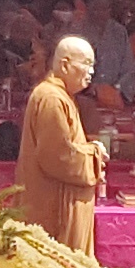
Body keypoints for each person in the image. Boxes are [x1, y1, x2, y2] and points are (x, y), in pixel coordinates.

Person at [12, 37, 104, 243]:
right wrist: (94, 156)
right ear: (65, 64)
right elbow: (58, 158)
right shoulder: (51, 99)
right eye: (86, 64)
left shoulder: (61, 96)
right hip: (53, 215)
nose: (91, 72)